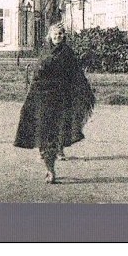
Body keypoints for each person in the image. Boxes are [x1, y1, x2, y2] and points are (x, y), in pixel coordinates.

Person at [14, 24, 95, 184]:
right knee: (43, 134)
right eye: (56, 34)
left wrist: (80, 93)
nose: (58, 36)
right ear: (50, 36)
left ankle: (51, 169)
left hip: (60, 101)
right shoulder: (44, 52)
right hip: (41, 100)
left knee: (54, 135)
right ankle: (48, 168)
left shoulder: (67, 53)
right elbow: (36, 76)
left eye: (61, 33)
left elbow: (75, 75)